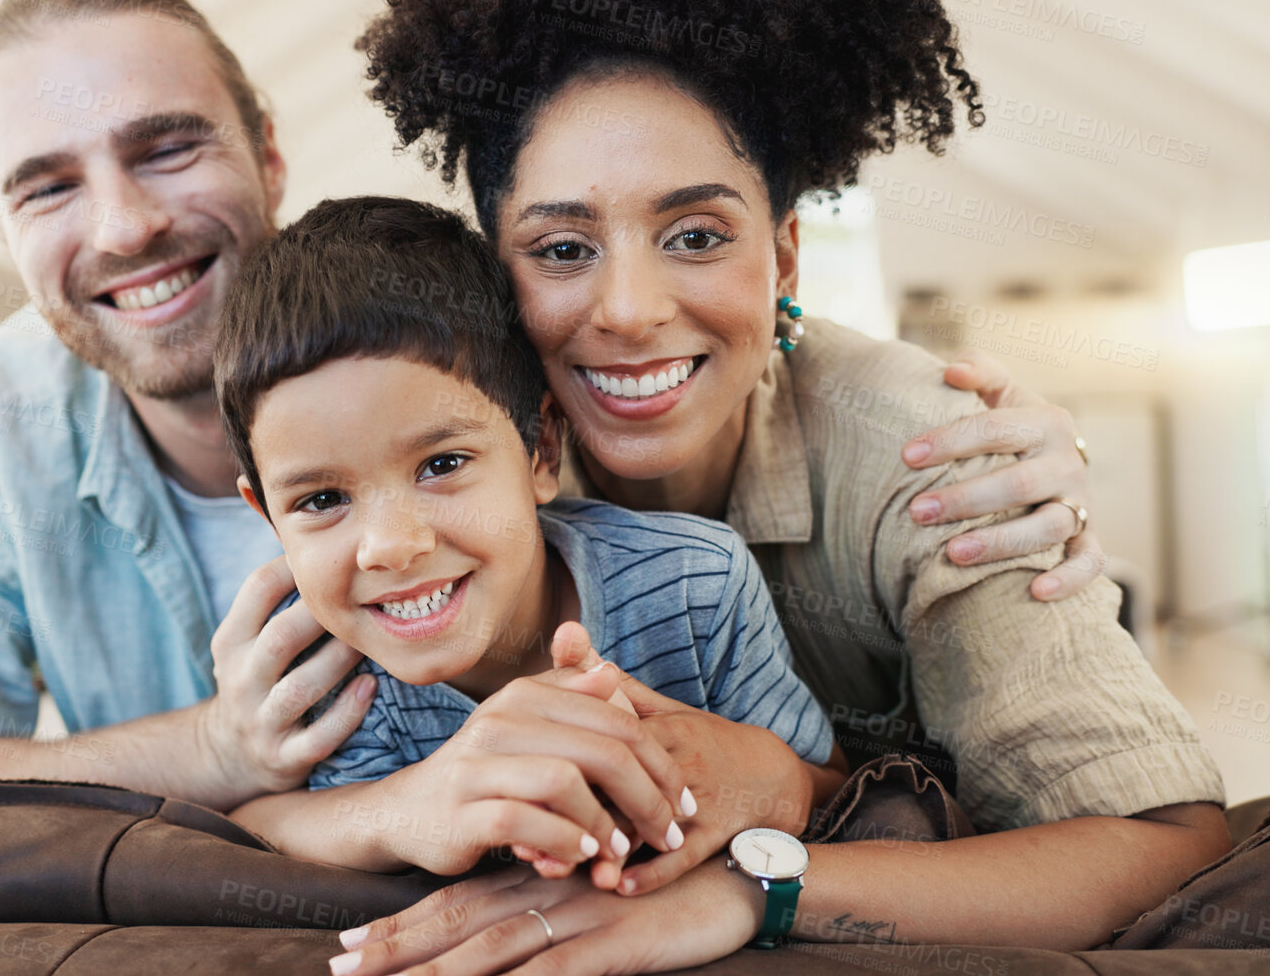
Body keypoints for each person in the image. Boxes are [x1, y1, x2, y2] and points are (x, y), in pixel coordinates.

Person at [0, 0, 1098, 817]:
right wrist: (218, 751)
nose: (121, 228)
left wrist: (932, 412)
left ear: (267, 153)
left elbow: (679, 314)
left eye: (165, 150)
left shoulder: (492, 326)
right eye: (43, 185)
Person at [324, 0, 1231, 971]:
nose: (628, 310)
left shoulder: (932, 457)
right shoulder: (438, 477)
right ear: (495, 274)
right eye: (563, 250)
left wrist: (757, 888)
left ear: (785, 257)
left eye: (697, 234)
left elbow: (1166, 840)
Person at [214, 195, 847, 878]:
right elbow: (251, 826)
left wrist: (755, 771)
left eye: (441, 465)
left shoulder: (694, 589)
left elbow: (834, 795)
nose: (390, 545)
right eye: (323, 499)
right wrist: (397, 810)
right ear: (268, 515)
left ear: (541, 448)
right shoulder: (319, 668)